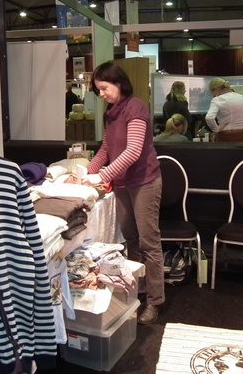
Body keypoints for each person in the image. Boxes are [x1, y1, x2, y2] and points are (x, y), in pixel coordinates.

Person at [83, 61, 164, 325]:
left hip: (144, 182)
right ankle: (136, 290)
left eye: (104, 88)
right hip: (123, 184)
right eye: (98, 90)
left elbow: (133, 151)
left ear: (119, 83)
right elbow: (106, 149)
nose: (102, 94)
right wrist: (86, 173)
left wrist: (102, 175)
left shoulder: (136, 108)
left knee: (149, 242)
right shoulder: (111, 112)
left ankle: (155, 300)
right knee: (131, 239)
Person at [204, 78, 243, 142]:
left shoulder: (217, 99)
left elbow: (209, 118)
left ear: (216, 89)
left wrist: (216, 131)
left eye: (212, 92)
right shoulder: (241, 97)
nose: (213, 95)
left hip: (227, 135)